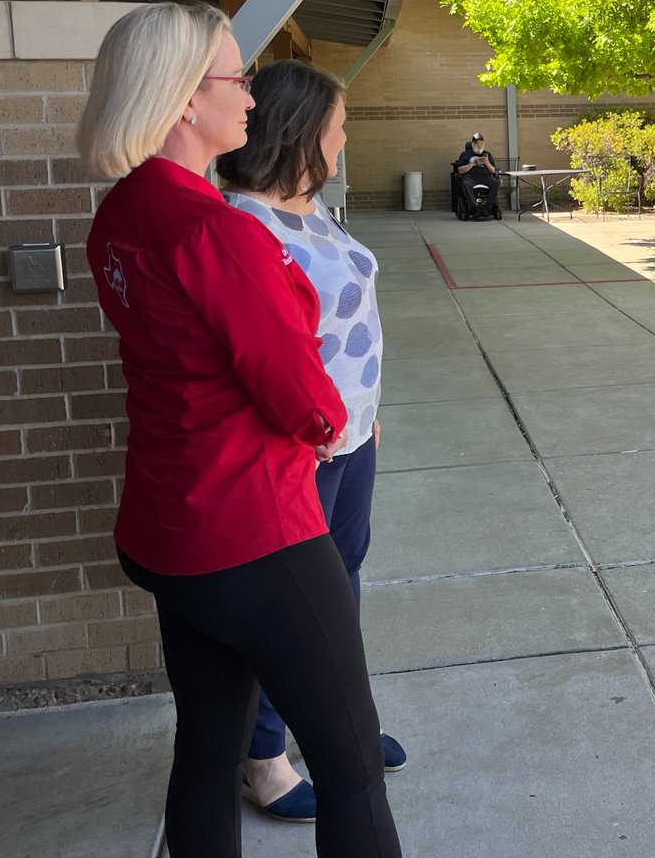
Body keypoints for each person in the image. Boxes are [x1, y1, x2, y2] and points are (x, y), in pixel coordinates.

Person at [77, 3, 400, 858]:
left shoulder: (121, 214)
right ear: (186, 100)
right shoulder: (219, 232)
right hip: (252, 530)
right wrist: (335, 427)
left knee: (206, 747)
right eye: (236, 78)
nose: (252, 97)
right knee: (351, 767)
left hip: (168, 524)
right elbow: (301, 391)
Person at [216, 59, 405, 824]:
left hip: (350, 438)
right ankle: (262, 757)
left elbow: (340, 328)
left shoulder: (308, 208)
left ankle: (335, 727)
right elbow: (263, 355)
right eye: (338, 128)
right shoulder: (243, 225)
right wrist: (324, 426)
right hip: (299, 450)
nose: (345, 139)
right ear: (298, 134)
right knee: (286, 608)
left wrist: (364, 413)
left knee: (340, 586)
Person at [454, 131, 501, 216]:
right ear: (472, 144)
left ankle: (487, 207)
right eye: (476, 143)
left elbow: (493, 171)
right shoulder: (465, 155)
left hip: (485, 178)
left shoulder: (488, 154)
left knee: (496, 182)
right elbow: (460, 170)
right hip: (470, 178)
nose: (479, 145)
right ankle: (474, 208)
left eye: (480, 142)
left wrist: (486, 163)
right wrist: (472, 164)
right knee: (465, 184)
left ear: (483, 143)